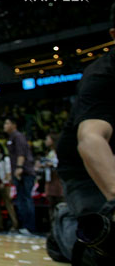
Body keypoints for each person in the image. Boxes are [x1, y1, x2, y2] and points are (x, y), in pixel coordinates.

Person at [47, 28, 115, 265]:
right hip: (84, 171)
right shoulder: (102, 76)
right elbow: (91, 140)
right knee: (103, 246)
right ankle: (63, 227)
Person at [3, 117, 36, 234]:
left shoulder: (18, 136)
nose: (4, 125)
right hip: (18, 172)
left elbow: (21, 154)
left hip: (25, 172)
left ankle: (29, 226)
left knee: (26, 199)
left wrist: (19, 168)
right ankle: (22, 226)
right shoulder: (11, 137)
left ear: (14, 125)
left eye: (7, 123)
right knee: (20, 199)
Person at [42, 132, 63, 222]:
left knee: (60, 204)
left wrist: (52, 164)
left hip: (57, 180)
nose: (45, 141)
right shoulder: (50, 153)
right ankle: (53, 227)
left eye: (47, 139)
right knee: (51, 205)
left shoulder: (59, 151)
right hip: (49, 179)